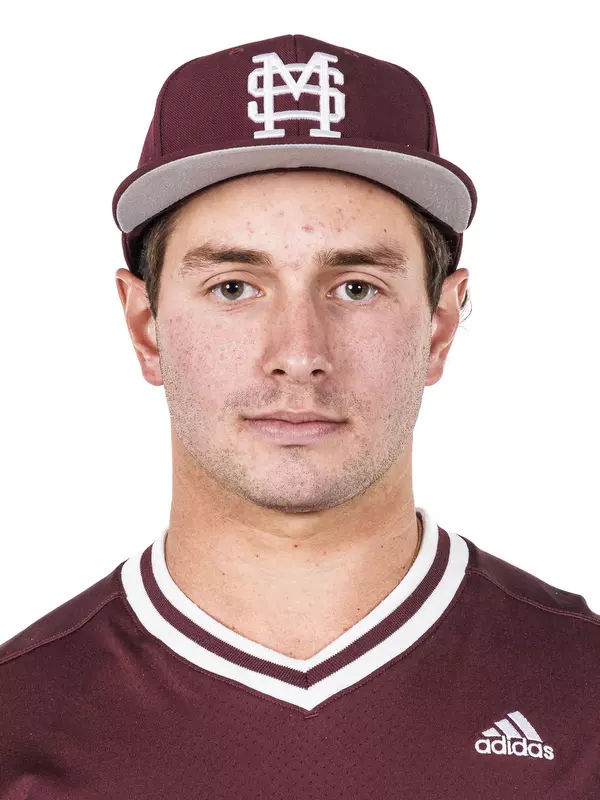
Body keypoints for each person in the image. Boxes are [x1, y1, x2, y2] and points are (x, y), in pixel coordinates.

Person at [1, 33, 598, 799]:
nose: (297, 353)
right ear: (145, 326)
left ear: (440, 327)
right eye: (233, 287)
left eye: (355, 287)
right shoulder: (20, 722)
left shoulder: (584, 697)